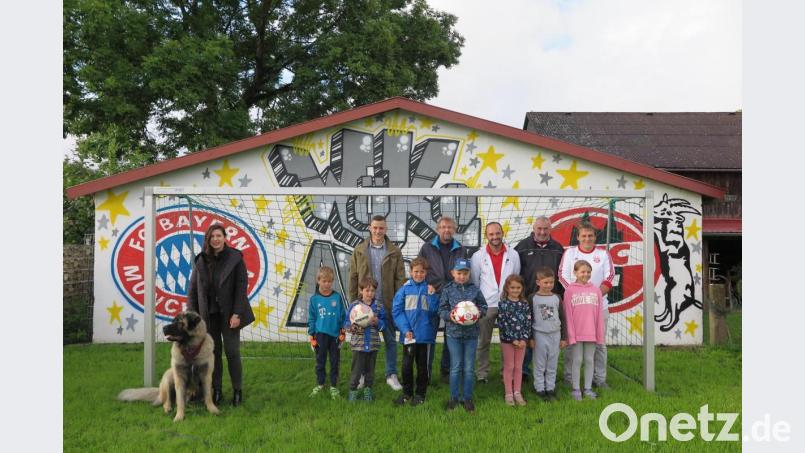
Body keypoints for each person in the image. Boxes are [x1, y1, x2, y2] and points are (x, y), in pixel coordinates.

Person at [187, 224, 255, 406]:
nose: (215, 239)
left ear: (225, 237)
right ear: (208, 240)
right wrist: (192, 316)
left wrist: (237, 313)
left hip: (230, 315)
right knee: (214, 353)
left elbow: (241, 288)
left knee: (232, 352)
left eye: (219, 235)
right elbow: (192, 290)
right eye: (212, 237)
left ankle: (237, 390)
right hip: (208, 316)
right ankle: (216, 390)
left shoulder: (235, 258)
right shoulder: (201, 260)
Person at [348, 215, 406, 391]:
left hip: (386, 304)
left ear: (386, 229)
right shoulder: (359, 250)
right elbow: (353, 277)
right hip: (364, 307)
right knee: (363, 343)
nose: (378, 231)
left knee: (390, 341)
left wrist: (398, 303)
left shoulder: (394, 252)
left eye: (381, 228)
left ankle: (391, 375)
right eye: (375, 228)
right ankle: (361, 376)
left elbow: (400, 279)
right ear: (369, 228)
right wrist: (354, 304)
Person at [558, 221, 615, 389]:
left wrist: (594, 296)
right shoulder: (570, 253)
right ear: (578, 237)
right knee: (572, 343)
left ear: (595, 237)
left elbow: (609, 277)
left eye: (590, 235)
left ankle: (599, 379)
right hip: (575, 307)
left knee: (600, 344)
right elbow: (562, 276)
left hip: (599, 306)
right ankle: (569, 378)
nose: (587, 238)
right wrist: (579, 293)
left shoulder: (603, 254)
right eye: (583, 235)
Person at [515, 216, 565, 382]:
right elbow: (516, 274)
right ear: (534, 228)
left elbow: (562, 275)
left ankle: (545, 372)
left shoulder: (558, 249)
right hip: (528, 300)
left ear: (550, 229)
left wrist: (559, 296)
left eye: (546, 229)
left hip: (549, 301)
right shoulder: (522, 247)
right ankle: (524, 370)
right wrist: (520, 296)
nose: (542, 232)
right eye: (539, 229)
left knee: (545, 334)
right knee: (527, 334)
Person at [470, 222, 521, 384]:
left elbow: (516, 277)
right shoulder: (478, 256)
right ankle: (482, 373)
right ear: (486, 236)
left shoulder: (513, 255)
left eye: (497, 233)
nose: (495, 237)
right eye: (491, 234)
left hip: (508, 303)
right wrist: (480, 301)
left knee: (508, 341)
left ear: (502, 233)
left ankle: (506, 372)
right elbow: (475, 281)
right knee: (483, 341)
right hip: (487, 304)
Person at [418, 216, 466, 384]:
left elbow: (463, 271)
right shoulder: (427, 248)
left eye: (450, 227)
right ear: (438, 229)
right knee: (428, 335)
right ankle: (426, 373)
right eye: (444, 227)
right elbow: (420, 269)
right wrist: (426, 287)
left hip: (453, 296)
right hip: (432, 295)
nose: (447, 230)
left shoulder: (460, 249)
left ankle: (446, 371)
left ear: (455, 229)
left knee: (450, 335)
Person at [438, 258, 487, 412]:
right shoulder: (447, 289)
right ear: (453, 273)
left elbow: (484, 306)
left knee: (469, 368)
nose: (462, 276)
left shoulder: (475, 289)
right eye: (459, 273)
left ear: (469, 274)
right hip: (453, 334)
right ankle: (453, 397)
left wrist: (478, 313)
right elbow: (441, 309)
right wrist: (450, 316)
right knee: (455, 367)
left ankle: (467, 398)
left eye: (465, 273)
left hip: (471, 335)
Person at [391, 258, 440, 406]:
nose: (419, 274)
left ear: (426, 273)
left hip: (424, 336)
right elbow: (397, 311)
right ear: (411, 272)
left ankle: (420, 394)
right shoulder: (404, 290)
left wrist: (432, 296)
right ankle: (407, 393)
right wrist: (406, 329)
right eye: (416, 271)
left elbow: (434, 311)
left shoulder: (429, 289)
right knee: (406, 366)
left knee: (422, 367)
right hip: (409, 336)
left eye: (422, 272)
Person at [562, 260, 605, 401]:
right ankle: (576, 389)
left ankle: (587, 388)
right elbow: (567, 314)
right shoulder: (569, 291)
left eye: (588, 272)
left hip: (591, 333)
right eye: (582, 271)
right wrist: (571, 335)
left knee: (589, 360)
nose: (585, 274)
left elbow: (599, 315)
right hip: (576, 333)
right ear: (575, 273)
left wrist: (599, 334)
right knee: (577, 360)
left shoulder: (596, 290)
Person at [344, 276, 386, 402]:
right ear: (361, 291)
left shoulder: (378, 307)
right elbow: (346, 322)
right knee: (356, 371)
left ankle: (368, 390)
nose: (370, 293)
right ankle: (353, 391)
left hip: (373, 344)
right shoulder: (354, 306)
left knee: (370, 371)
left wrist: (377, 322)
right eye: (367, 290)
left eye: (372, 291)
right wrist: (351, 327)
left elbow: (384, 325)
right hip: (358, 345)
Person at [308, 266, 347, 399]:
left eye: (330, 281)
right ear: (318, 281)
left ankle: (334, 386)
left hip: (335, 335)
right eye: (324, 281)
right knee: (320, 361)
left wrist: (343, 331)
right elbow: (312, 318)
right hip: (320, 335)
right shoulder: (314, 299)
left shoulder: (337, 297)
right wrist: (311, 334)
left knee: (335, 361)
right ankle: (320, 383)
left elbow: (343, 316)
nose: (327, 284)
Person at [530, 267, 567, 401]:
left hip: (555, 335)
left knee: (552, 362)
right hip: (539, 334)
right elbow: (529, 318)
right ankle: (539, 388)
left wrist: (563, 337)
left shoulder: (557, 297)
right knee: (539, 363)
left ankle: (550, 387)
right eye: (545, 282)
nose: (548, 285)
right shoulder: (533, 298)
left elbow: (562, 318)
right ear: (538, 282)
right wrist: (531, 337)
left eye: (551, 282)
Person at [497, 274, 532, 406]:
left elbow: (528, 323)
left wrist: (524, 339)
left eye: (518, 287)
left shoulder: (524, 304)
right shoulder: (503, 304)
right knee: (509, 366)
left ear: (522, 288)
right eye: (512, 287)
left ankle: (517, 392)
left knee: (518, 367)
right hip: (508, 341)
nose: (515, 290)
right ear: (507, 288)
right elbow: (503, 324)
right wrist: (512, 339)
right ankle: (508, 393)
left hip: (521, 342)